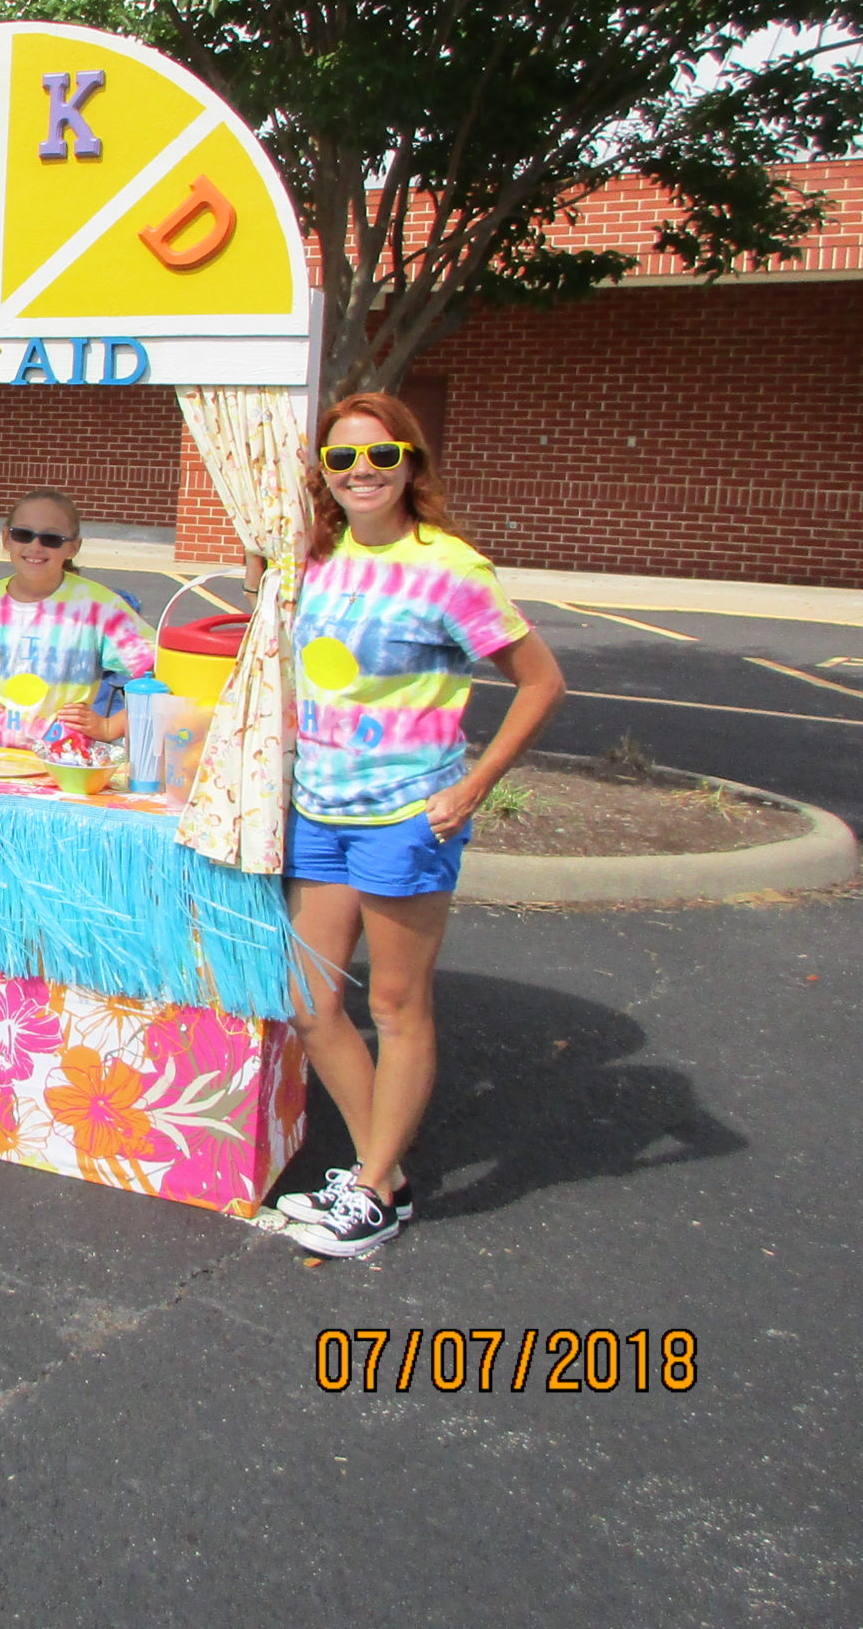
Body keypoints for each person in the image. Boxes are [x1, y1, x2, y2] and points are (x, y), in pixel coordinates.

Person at [274, 392, 565, 1258]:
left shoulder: (450, 567)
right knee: (309, 1004)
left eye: (380, 455)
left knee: (396, 1006)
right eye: (342, 458)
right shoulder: (315, 559)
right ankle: (384, 1177)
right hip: (319, 808)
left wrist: (473, 789)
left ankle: (369, 1190)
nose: (361, 471)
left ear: (411, 462)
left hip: (407, 815)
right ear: (324, 473)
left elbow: (542, 682)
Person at [0, 488, 154, 751]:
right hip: (0, 758)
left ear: (73, 547)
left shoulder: (99, 608)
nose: (36, 546)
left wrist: (110, 726)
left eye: (51, 539)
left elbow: (165, 672)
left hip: (68, 761)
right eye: (23, 534)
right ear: (6, 538)